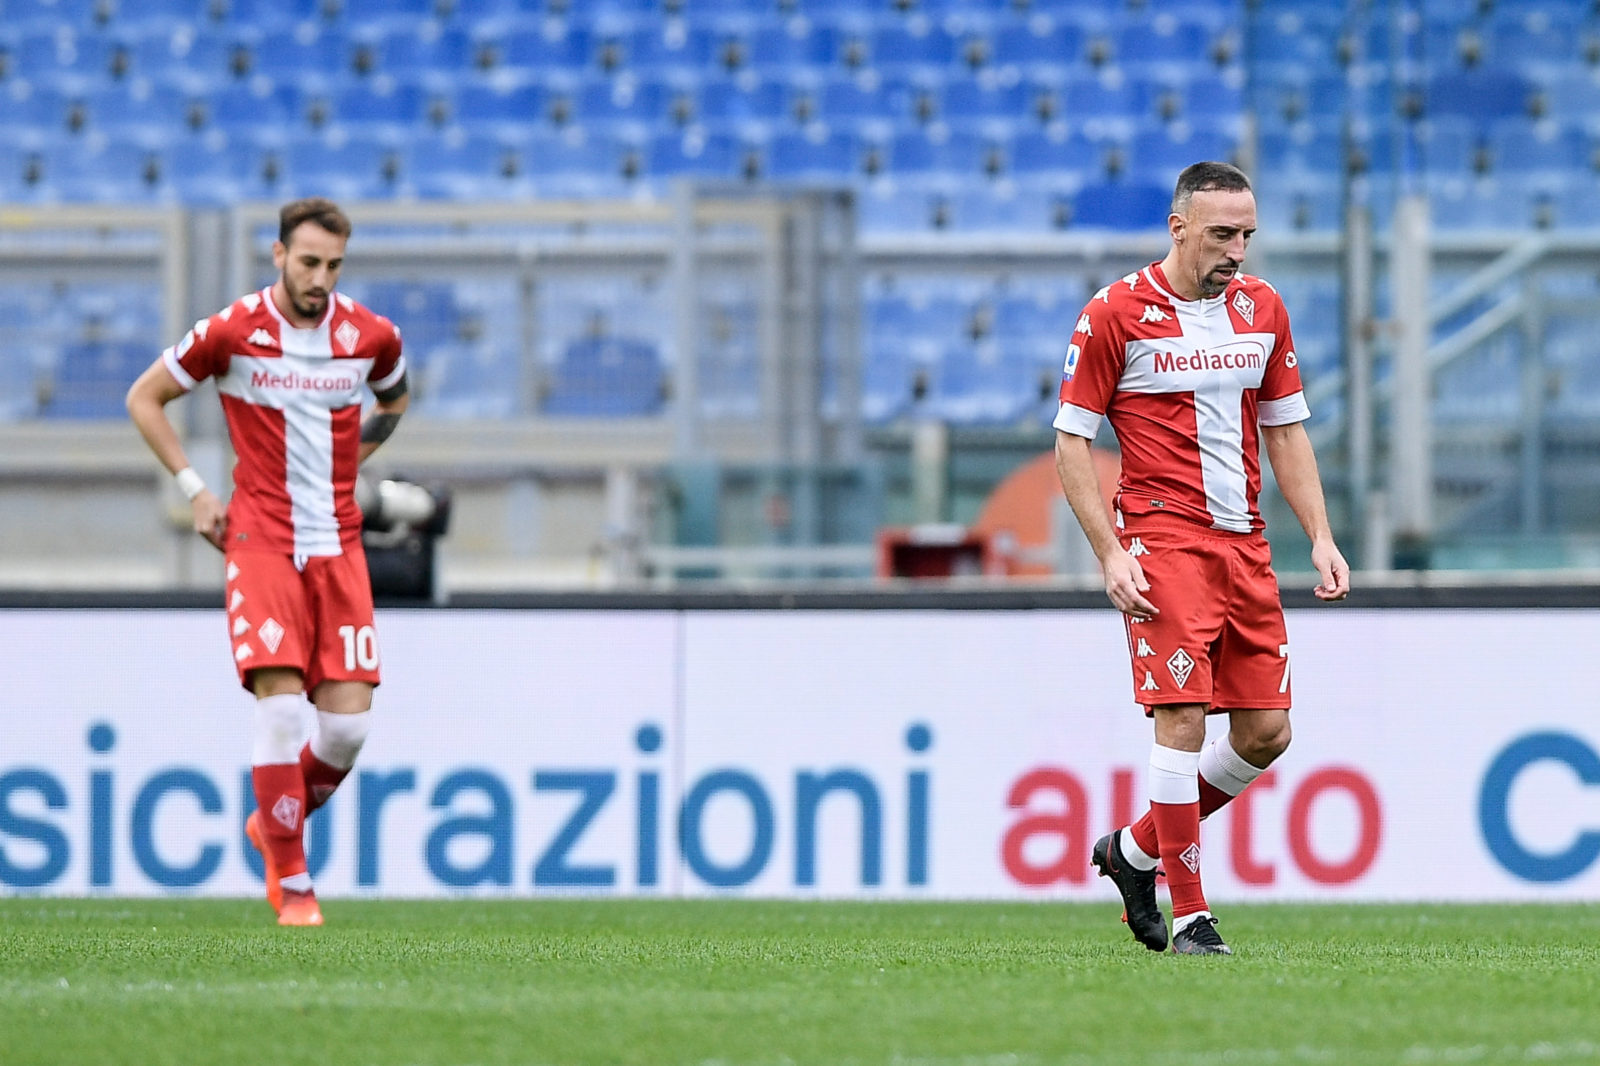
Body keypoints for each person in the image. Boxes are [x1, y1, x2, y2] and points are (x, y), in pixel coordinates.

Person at [1053, 162, 1350, 956]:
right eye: (1223, 234)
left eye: (1248, 235)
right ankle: (1192, 917)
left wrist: (1319, 535)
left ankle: (1134, 852)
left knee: (1266, 733)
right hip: (1164, 538)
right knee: (1180, 717)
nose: (1237, 252)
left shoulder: (1262, 309)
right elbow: (1071, 440)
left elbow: (1285, 431)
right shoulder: (1116, 313)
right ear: (1178, 227)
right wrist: (1111, 552)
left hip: (1244, 543)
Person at [126, 198, 409, 927]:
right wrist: (194, 491)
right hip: (262, 537)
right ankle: (293, 879)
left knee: (346, 732)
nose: (321, 278)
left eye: (334, 266)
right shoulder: (233, 331)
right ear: (278, 255)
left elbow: (396, 398)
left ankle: (272, 824)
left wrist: (354, 459)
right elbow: (145, 397)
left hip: (338, 542)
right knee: (281, 707)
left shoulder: (370, 335)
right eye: (309, 262)